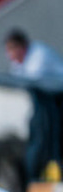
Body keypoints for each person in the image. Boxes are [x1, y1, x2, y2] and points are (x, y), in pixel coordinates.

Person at [6, 28, 63, 183]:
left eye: (12, 50)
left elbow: (32, 79)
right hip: (43, 102)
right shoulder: (19, 62)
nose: (10, 56)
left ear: (22, 46)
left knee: (53, 141)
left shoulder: (39, 53)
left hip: (56, 100)